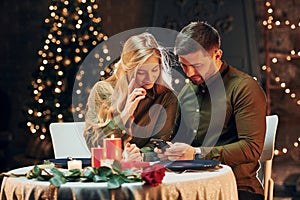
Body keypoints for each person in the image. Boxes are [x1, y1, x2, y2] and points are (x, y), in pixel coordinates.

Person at [155, 21, 267, 200]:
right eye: (184, 65)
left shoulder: (244, 88)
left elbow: (252, 148)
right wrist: (167, 150)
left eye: (197, 65)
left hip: (237, 188)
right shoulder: (187, 90)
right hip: (189, 185)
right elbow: (178, 139)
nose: (189, 73)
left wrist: (197, 153)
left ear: (217, 55)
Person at [84, 32, 178, 161]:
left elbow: (160, 144)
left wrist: (140, 155)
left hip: (145, 168)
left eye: (154, 70)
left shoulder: (166, 97)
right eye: (141, 72)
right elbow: (94, 144)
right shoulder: (103, 91)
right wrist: (123, 116)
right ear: (128, 69)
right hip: (107, 169)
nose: (150, 78)